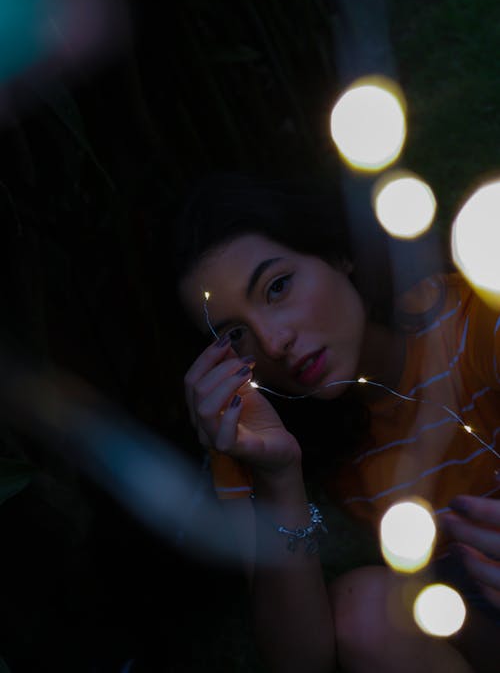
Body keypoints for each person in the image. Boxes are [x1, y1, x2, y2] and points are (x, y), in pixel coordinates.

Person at [170, 172, 500, 673]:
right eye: (235, 335)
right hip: (477, 621)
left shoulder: (475, 324)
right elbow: (298, 660)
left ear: (335, 253)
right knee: (366, 614)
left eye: (277, 286)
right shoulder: (250, 430)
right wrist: (278, 475)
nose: (273, 341)